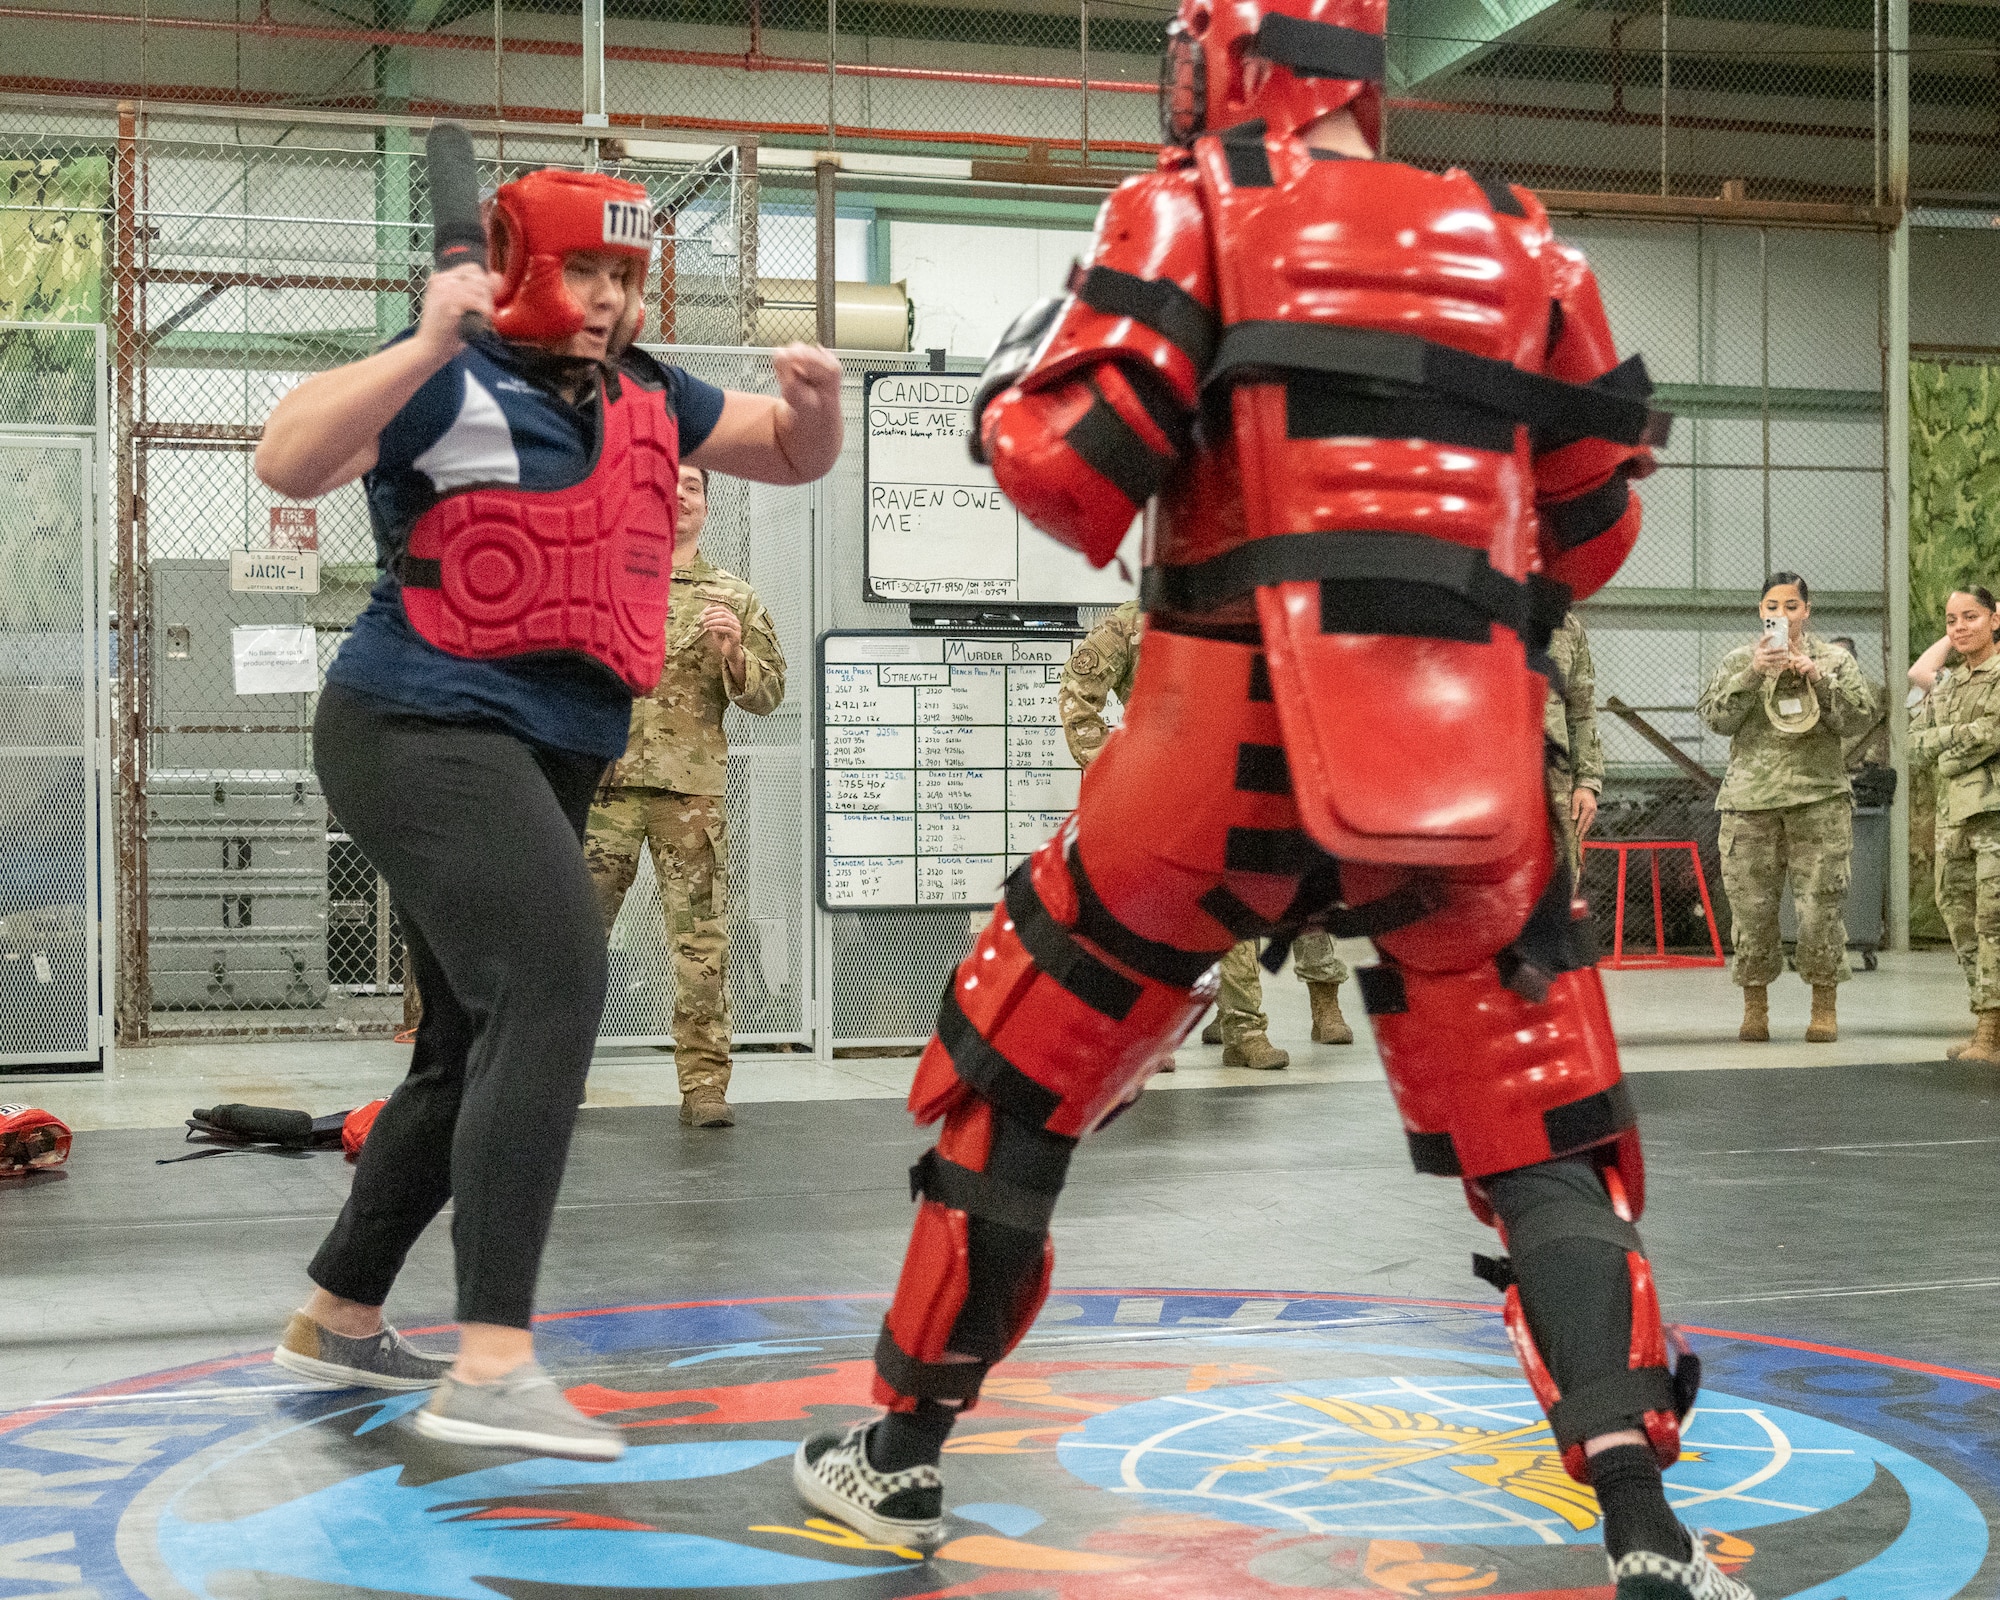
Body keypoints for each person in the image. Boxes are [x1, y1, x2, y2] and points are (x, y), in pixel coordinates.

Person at [794, 8, 1745, 1596]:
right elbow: (1592, 531)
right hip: (1458, 766)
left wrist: (1002, 388)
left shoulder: (1185, 209)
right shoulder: (1525, 246)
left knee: (1016, 1080)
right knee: (1541, 1141)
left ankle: (898, 1457)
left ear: (1227, 60)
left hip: (1214, 754)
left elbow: (1071, 476)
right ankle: (1649, 1535)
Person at [254, 165, 841, 1458]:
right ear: (526, 268)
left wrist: (819, 407)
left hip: (550, 747)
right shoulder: (447, 379)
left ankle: (339, 1313)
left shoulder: (649, 394)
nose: (610, 300)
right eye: (588, 272)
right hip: (419, 724)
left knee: (466, 1044)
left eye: (629, 278)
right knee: (558, 980)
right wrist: (423, 337)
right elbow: (286, 459)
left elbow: (788, 455)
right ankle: (495, 1362)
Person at [1059, 599, 1355, 1067]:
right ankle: (1159, 1037)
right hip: (1164, 793)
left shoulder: (1255, 615)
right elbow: (1079, 685)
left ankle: (1243, 1028)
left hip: (1240, 788)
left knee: (1238, 905)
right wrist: (1108, 767)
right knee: (1159, 919)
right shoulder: (1136, 621)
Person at [583, 464, 786, 1129]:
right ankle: (551, 1076)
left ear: (707, 505)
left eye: (692, 487)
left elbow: (768, 694)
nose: (678, 496)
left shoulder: (734, 597)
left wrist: (733, 655)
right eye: (665, 485)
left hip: (690, 794)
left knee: (699, 945)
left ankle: (704, 1087)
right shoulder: (604, 584)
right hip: (607, 788)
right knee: (578, 939)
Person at [1698, 574, 1870, 1044]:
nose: (1783, 614)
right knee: (1751, 912)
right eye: (1772, 606)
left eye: (1792, 605)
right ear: (1761, 612)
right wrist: (1754, 672)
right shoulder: (1739, 661)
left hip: (1818, 801)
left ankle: (1823, 1006)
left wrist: (1816, 674)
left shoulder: (1834, 659)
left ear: (1807, 610)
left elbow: (1858, 717)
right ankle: (1756, 1007)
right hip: (1750, 806)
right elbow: (1715, 717)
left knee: (1820, 910)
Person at [1910, 587, 2000, 1062]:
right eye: (1951, 620)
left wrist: (1945, 751)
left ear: (1994, 619)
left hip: (1993, 818)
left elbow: (1993, 731)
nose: (1961, 627)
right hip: (1955, 820)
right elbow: (1913, 741)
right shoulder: (1949, 682)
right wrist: (1952, 748)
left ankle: (1990, 1033)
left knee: (1994, 923)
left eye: (1971, 617)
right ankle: (1988, 1023)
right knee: (1959, 918)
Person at [1546, 608, 1604, 878]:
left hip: (1556, 786)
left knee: (1560, 881)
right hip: (1487, 786)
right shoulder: (1471, 609)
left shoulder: (1566, 626)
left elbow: (1581, 712)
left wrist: (1587, 782)